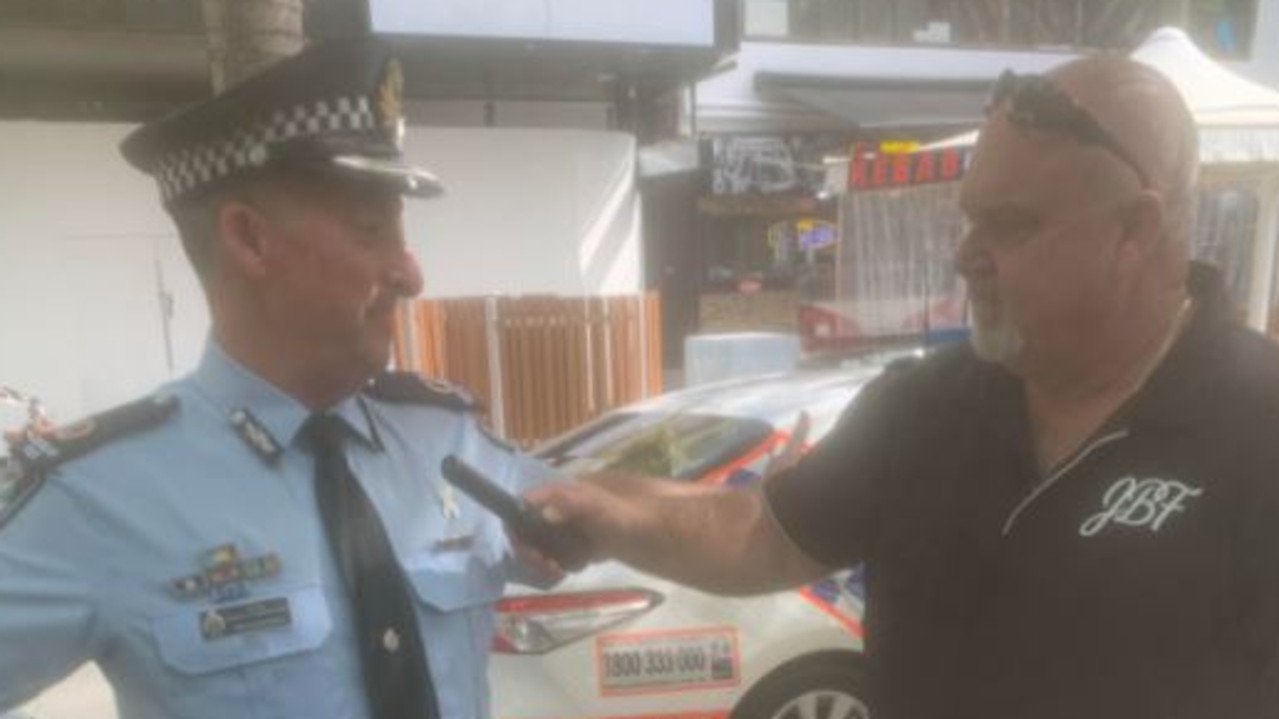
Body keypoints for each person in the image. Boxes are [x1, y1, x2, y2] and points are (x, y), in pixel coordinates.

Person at [524, 55, 1279, 719]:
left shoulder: (1258, 427)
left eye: (1008, 226)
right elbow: (762, 534)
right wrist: (607, 512)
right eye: (968, 220)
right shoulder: (926, 406)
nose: (963, 256)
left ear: (1134, 231)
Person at [0, 36, 555, 719]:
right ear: (249, 239)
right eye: (369, 229)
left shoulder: (447, 442)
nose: (411, 274)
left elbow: (603, 512)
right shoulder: (100, 498)